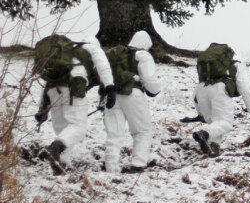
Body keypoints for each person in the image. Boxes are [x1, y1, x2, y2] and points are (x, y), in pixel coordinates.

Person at [32, 34, 115, 174]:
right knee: (78, 127)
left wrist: (42, 108)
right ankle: (55, 148)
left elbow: (47, 84)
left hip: (53, 89)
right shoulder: (92, 48)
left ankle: (61, 162)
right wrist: (110, 87)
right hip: (73, 87)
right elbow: (103, 66)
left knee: (63, 129)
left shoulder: (66, 53)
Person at [103, 31, 163, 173]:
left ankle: (111, 167)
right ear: (146, 45)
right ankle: (138, 164)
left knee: (114, 133)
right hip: (133, 94)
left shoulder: (117, 55)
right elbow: (148, 79)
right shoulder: (142, 55)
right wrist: (155, 90)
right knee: (142, 130)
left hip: (112, 95)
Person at [189, 43, 250, 156]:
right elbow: (245, 88)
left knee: (215, 123)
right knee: (225, 122)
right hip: (219, 90)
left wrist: (199, 112)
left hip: (201, 90)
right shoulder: (236, 63)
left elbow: (198, 86)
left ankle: (214, 148)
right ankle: (205, 133)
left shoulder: (207, 64)